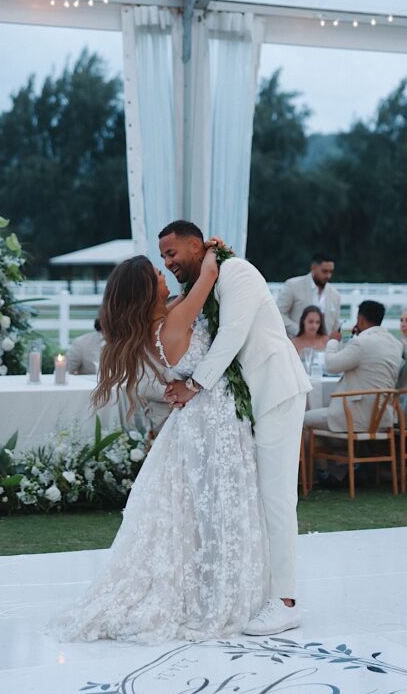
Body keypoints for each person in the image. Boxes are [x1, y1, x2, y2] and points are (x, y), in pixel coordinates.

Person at [48, 247, 267, 643]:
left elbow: (188, 295)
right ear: (148, 289)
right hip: (210, 418)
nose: (166, 275)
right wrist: (214, 249)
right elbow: (208, 276)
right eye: (158, 273)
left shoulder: (157, 325)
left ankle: (207, 581)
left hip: (196, 418)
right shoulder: (177, 318)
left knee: (195, 509)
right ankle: (216, 591)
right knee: (216, 505)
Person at [159, 220, 311, 636]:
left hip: (276, 390)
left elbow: (232, 335)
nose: (168, 263)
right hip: (249, 404)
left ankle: (285, 602)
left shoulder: (238, 271)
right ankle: (261, 588)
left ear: (196, 245)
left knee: (277, 497)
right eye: (162, 258)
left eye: (172, 254)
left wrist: (193, 385)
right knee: (258, 497)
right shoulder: (206, 281)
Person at [303, 300, 403, 432]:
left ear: (360, 320)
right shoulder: (396, 343)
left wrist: (333, 341)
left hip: (356, 418)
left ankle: (312, 453)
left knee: (301, 418)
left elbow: (331, 366)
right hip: (382, 419)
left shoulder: (361, 342)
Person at [278, 253, 342, 338]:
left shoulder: (335, 294)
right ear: (313, 268)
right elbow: (279, 313)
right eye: (324, 271)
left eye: (331, 272)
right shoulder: (293, 285)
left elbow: (336, 325)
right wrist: (299, 331)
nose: (328, 276)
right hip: (295, 345)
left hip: (324, 347)